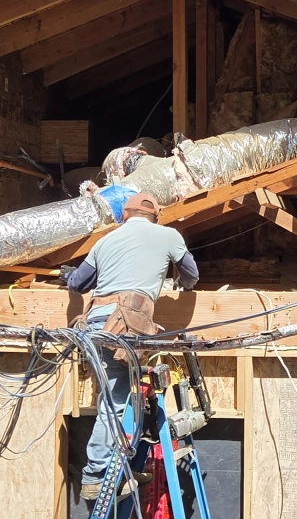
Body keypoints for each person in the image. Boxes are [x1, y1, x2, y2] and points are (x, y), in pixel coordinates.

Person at [64, 192, 199, 500]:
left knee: (121, 397)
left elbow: (77, 283)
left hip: (96, 323)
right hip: (125, 324)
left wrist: (69, 275)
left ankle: (118, 468)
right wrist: (181, 284)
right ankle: (95, 475)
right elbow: (192, 275)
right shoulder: (168, 236)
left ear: (125, 216)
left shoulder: (106, 240)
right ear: (155, 215)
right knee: (116, 401)